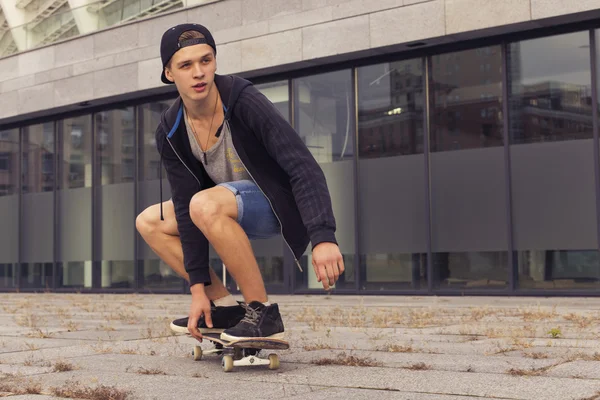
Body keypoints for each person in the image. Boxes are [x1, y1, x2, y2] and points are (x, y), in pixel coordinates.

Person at [135, 23, 344, 343]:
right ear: (168, 73)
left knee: (203, 203)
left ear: (215, 62)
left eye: (205, 60)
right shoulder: (171, 129)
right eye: (186, 65)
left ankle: (262, 313)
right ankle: (223, 307)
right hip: (218, 209)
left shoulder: (243, 100)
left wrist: (323, 236)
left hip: (275, 205)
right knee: (150, 221)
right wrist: (197, 290)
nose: (198, 73)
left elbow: (302, 166)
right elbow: (184, 204)